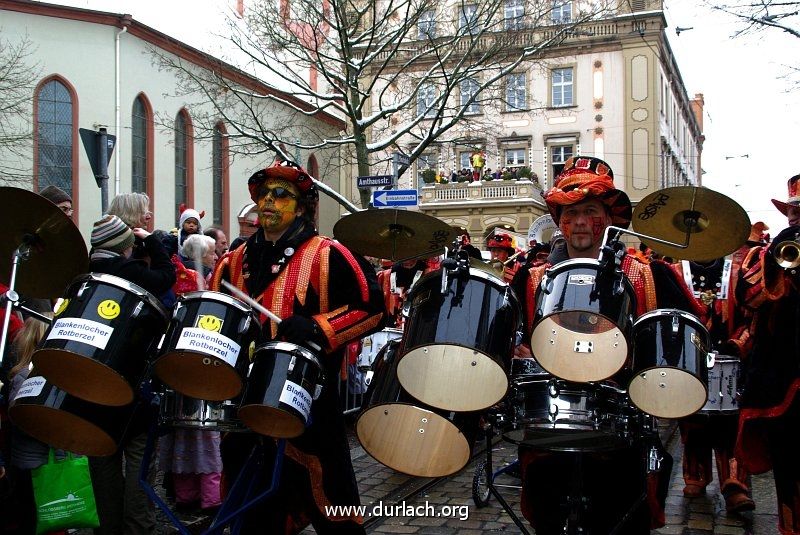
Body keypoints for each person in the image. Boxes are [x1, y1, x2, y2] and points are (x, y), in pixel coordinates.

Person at [510, 156, 700, 535]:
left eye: (590, 211)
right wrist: (518, 350)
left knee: (620, 520)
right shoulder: (530, 278)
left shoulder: (647, 272)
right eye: (570, 212)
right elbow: (505, 339)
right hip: (548, 428)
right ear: (559, 220)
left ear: (609, 217)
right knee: (549, 519)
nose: (580, 221)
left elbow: (684, 333)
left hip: (622, 429)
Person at [209, 160, 385, 534]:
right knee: (252, 507)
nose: (268, 202)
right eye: (264, 195)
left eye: (281, 195)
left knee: (330, 498)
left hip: (310, 399)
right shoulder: (232, 262)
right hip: (245, 400)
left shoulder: (328, 254)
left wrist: (318, 329)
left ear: (302, 207)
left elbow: (372, 309)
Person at [86, 214, 176, 535]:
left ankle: (108, 526)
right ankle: (137, 526)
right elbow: (166, 277)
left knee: (102, 458)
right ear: (123, 247)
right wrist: (151, 241)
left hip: (90, 384)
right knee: (139, 458)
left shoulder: (86, 273)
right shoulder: (124, 270)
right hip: (129, 383)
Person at [735, 174, 800, 535]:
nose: (794, 217)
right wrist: (778, 263)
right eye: (792, 211)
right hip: (785, 375)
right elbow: (750, 298)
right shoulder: (770, 253)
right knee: (789, 463)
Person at [669, 252, 755, 512]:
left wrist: (737, 344)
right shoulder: (674, 272)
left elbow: (751, 317)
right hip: (689, 359)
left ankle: (735, 483)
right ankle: (695, 475)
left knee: (730, 424)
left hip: (729, 361)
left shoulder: (739, 272)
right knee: (692, 422)